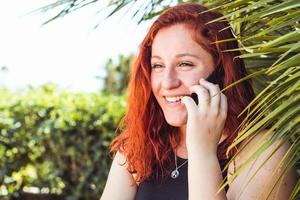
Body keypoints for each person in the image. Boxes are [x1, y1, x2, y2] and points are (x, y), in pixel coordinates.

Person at [100, 3, 296, 200]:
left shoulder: (265, 151)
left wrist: (202, 153)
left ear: (221, 73)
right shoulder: (138, 148)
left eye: (185, 64)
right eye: (158, 65)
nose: (167, 83)